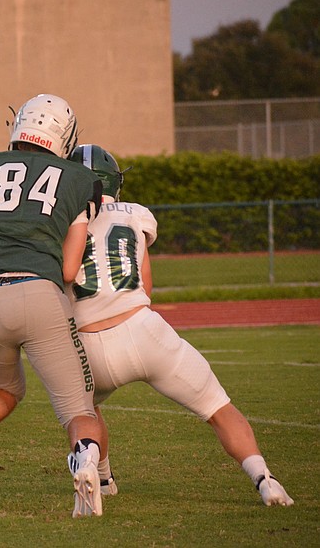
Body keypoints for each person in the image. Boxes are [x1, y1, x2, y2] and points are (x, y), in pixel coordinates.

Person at [62, 143, 294, 507]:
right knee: (219, 409)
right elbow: (146, 286)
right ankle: (265, 480)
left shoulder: (59, 221)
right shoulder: (135, 214)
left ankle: (98, 474)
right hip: (142, 327)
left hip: (86, 343)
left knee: (85, 414)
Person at [0, 94, 105, 517]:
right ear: (65, 137)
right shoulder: (78, 179)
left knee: (1, 388)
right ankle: (86, 463)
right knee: (78, 410)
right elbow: (69, 269)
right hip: (37, 294)